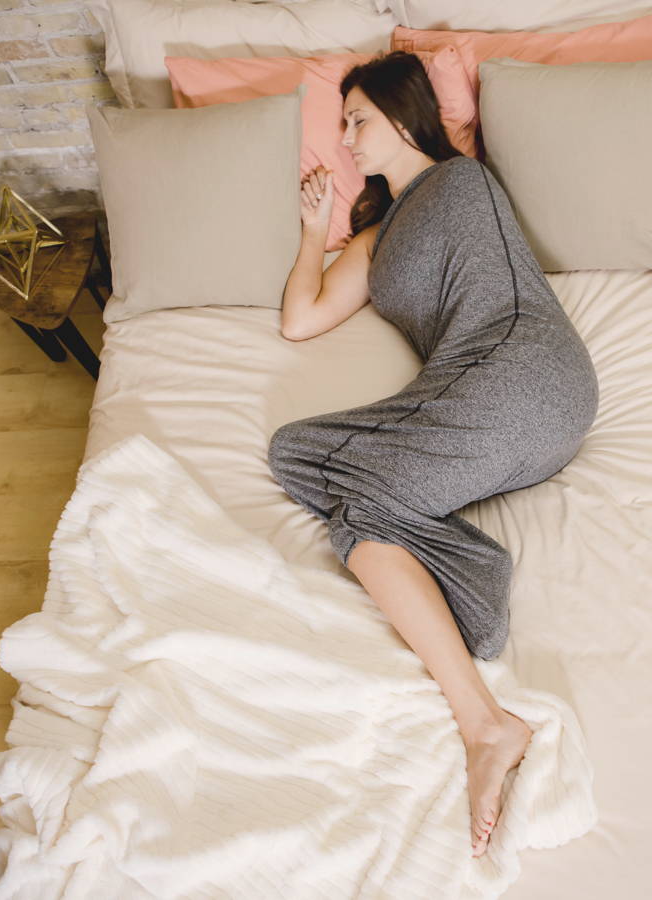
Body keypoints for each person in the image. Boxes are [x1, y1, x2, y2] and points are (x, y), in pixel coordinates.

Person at [270, 51, 599, 859]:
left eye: (358, 120)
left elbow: (503, 295)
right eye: (341, 123)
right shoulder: (378, 233)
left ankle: (484, 706)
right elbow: (301, 321)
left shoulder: (463, 184)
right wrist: (316, 231)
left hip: (526, 371)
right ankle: (479, 647)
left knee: (315, 465)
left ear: (405, 112)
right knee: (306, 465)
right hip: (490, 406)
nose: (345, 140)